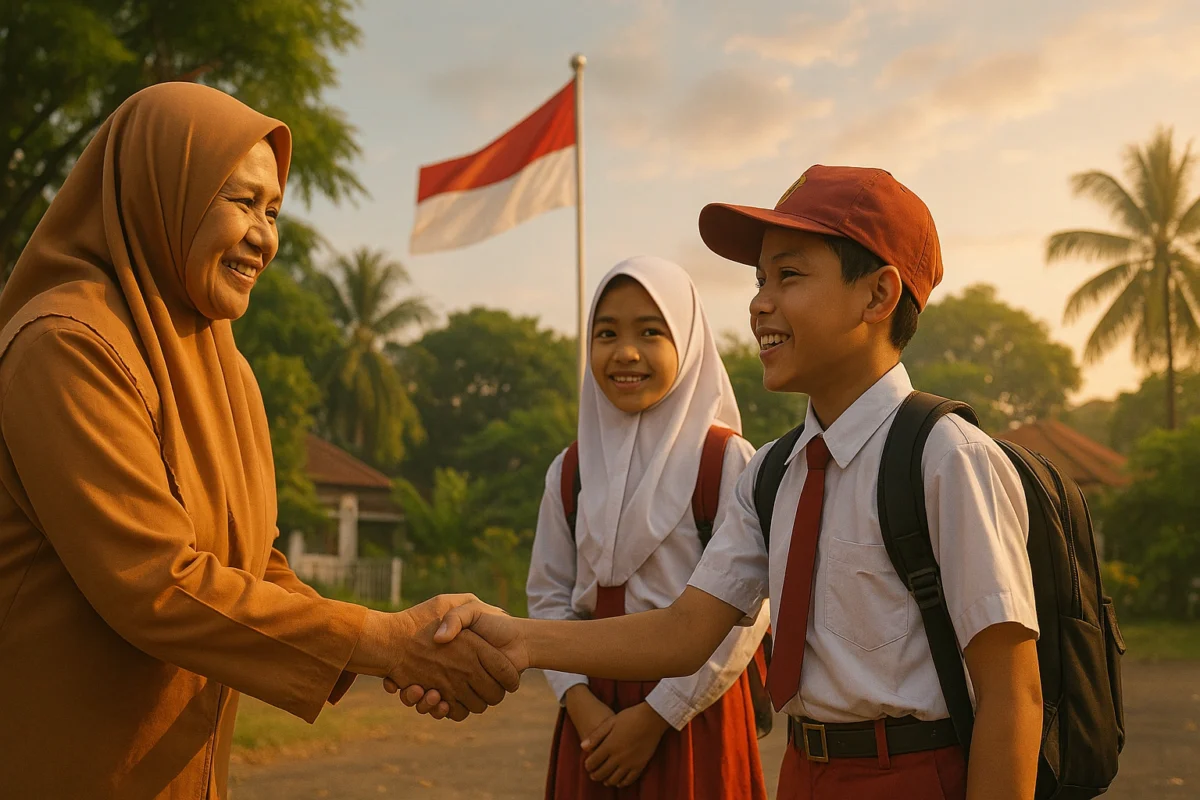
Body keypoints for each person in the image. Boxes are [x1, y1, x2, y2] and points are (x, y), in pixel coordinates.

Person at [419, 166, 1043, 800]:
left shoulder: (946, 459)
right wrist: (518, 637)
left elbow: (1012, 695)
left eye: (789, 276)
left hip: (915, 773)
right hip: (802, 771)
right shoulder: (776, 473)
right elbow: (683, 632)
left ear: (878, 296)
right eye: (759, 280)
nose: (758, 303)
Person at [0, 82, 517, 799]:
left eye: (273, 211)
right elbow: (155, 582)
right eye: (241, 202)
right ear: (162, 189)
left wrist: (390, 652)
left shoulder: (226, 368)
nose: (264, 236)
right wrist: (385, 641)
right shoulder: (66, 345)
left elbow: (252, 563)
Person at [528, 257, 769, 797]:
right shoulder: (571, 469)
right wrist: (581, 703)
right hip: (592, 715)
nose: (626, 352)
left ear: (687, 342)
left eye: (651, 332)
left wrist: (659, 714)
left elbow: (747, 614)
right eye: (606, 332)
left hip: (689, 713)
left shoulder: (725, 460)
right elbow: (547, 596)